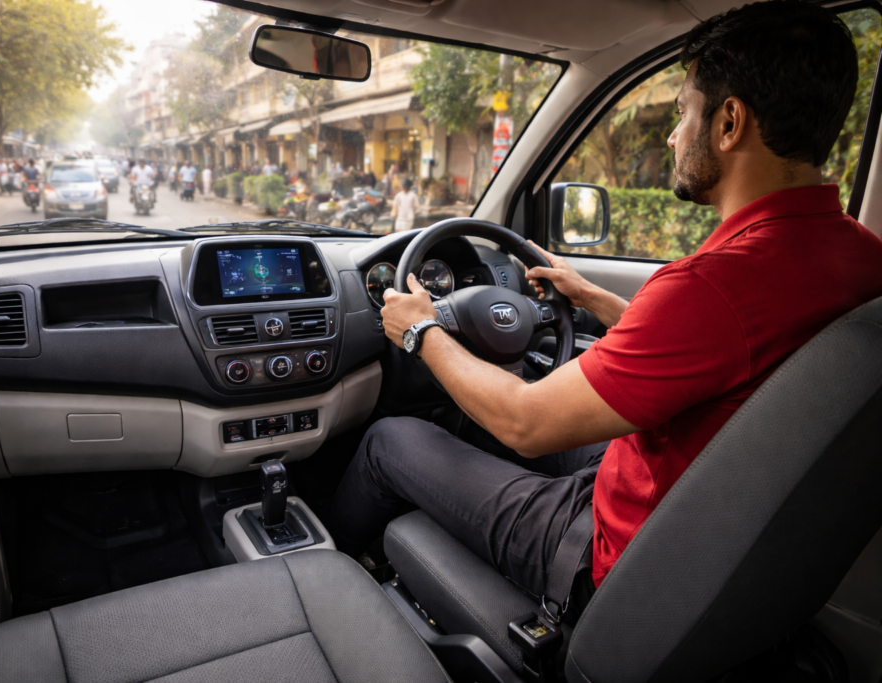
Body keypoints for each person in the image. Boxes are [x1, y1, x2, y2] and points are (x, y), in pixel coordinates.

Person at [324, 0, 882, 611]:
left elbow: (525, 423)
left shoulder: (712, 286)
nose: (673, 135)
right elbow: (724, 355)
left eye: (682, 112)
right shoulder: (861, 258)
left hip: (609, 557)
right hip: (704, 526)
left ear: (729, 123)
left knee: (389, 440)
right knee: (488, 409)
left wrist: (422, 330)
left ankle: (330, 584)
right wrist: (592, 298)